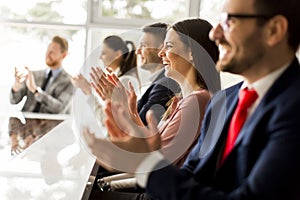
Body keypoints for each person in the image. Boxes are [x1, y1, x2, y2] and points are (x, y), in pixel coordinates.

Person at [83, 0, 300, 199]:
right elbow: (191, 174)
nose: (215, 34)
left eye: (228, 21)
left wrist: (146, 161)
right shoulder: (226, 99)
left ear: (274, 30)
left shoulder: (294, 108)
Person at [10, 35, 73, 114]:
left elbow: (60, 108)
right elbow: (13, 101)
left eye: (52, 52)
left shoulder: (69, 81)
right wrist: (16, 86)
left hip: (51, 125)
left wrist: (36, 91)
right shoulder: (34, 75)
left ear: (63, 55)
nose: (47, 54)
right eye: (47, 51)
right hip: (26, 123)